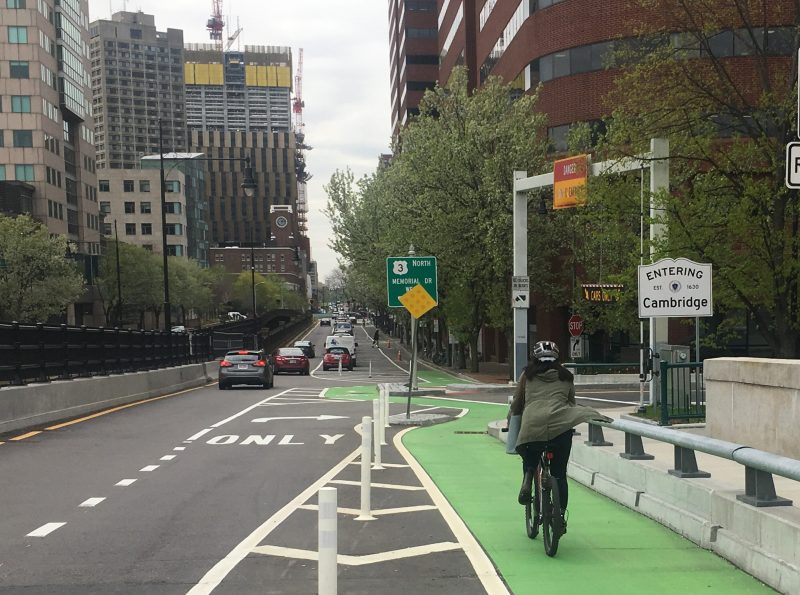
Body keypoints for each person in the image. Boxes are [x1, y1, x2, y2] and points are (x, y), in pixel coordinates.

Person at [510, 339, 611, 531]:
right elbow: (571, 402)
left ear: (535, 358)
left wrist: (512, 420)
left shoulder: (527, 376)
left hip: (533, 426)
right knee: (559, 475)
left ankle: (528, 475)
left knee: (529, 456)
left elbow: (517, 403)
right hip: (561, 428)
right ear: (557, 358)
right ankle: (560, 517)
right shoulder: (566, 376)